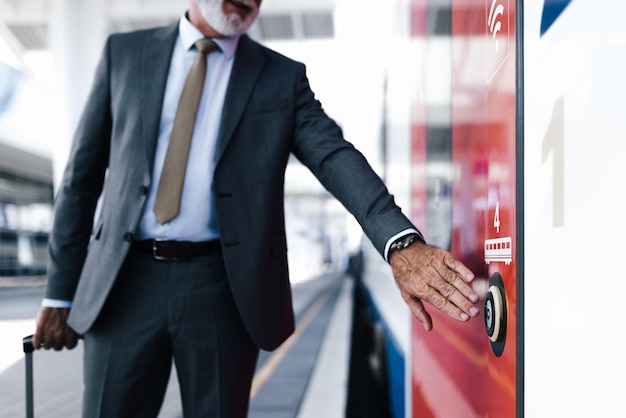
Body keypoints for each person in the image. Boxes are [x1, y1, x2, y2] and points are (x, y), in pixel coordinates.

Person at [33, 0, 480, 416]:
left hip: (220, 288)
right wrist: (60, 291)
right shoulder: (124, 55)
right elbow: (80, 180)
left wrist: (399, 243)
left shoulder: (280, 79)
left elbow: (333, 157)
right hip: (123, 284)